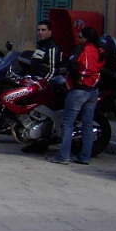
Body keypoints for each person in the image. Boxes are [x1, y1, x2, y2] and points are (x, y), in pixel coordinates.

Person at [48, 25, 102, 166]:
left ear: (86, 38)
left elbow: (76, 66)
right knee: (87, 124)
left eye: (80, 36)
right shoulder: (99, 50)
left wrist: (69, 75)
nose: (78, 38)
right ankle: (85, 157)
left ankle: (63, 156)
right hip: (93, 90)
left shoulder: (83, 49)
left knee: (68, 124)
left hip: (79, 90)